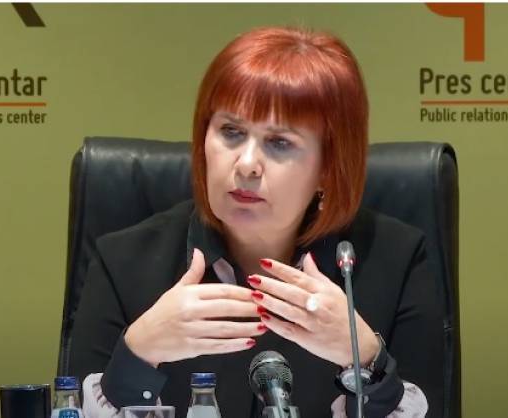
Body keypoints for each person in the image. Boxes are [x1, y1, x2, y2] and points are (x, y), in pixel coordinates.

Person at [68, 26, 444, 418]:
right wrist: (139, 353)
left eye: (279, 142)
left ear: (327, 168)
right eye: (231, 132)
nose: (246, 164)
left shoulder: (395, 261)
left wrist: (365, 359)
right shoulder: (123, 262)